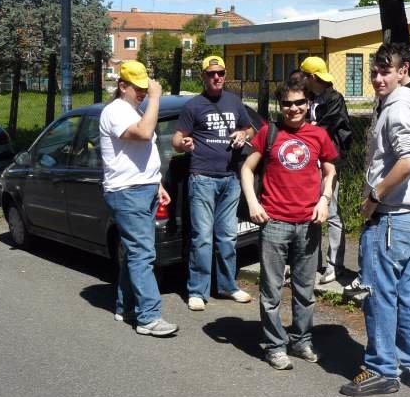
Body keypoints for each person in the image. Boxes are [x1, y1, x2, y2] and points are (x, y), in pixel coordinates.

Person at [340, 43, 410, 397]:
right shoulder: (400, 105)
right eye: (374, 72)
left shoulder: (397, 109)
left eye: (385, 71)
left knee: (377, 295)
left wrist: (374, 196)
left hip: (390, 220)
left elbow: (408, 160)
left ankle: (381, 369)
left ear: (402, 70)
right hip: (409, 221)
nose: (378, 78)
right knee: (406, 296)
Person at [240, 78, 337, 370]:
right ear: (280, 105)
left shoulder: (319, 135)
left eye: (299, 103)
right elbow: (247, 168)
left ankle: (301, 340)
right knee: (271, 291)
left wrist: (324, 200)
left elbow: (330, 170)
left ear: (308, 104)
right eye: (287, 104)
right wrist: (253, 203)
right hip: (274, 223)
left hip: (309, 223)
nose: (293, 109)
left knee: (305, 290)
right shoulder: (269, 133)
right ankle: (275, 346)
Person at [99, 60, 178, 337]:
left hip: (143, 188)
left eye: (146, 87)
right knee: (143, 254)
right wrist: (155, 98)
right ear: (123, 86)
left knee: (136, 252)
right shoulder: (115, 111)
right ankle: (148, 318)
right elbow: (144, 134)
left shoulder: (132, 110)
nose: (144, 92)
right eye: (139, 88)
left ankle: (127, 307)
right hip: (128, 192)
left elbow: (140, 154)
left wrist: (157, 183)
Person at [172, 56, 254, 310]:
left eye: (220, 73)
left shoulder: (234, 101)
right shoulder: (194, 105)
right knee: (202, 238)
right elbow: (176, 139)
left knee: (228, 237)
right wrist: (183, 144)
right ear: (203, 77)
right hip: (202, 179)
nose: (216, 77)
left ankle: (228, 286)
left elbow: (250, 129)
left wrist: (243, 134)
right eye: (211, 74)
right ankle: (197, 291)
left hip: (230, 179)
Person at [300, 56, 352, 285]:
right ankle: (312, 262)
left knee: (331, 212)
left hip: (328, 163)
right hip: (308, 162)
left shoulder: (334, 99)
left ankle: (334, 265)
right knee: (310, 212)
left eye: (304, 76)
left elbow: (326, 128)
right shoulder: (308, 97)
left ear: (311, 77)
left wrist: (306, 129)